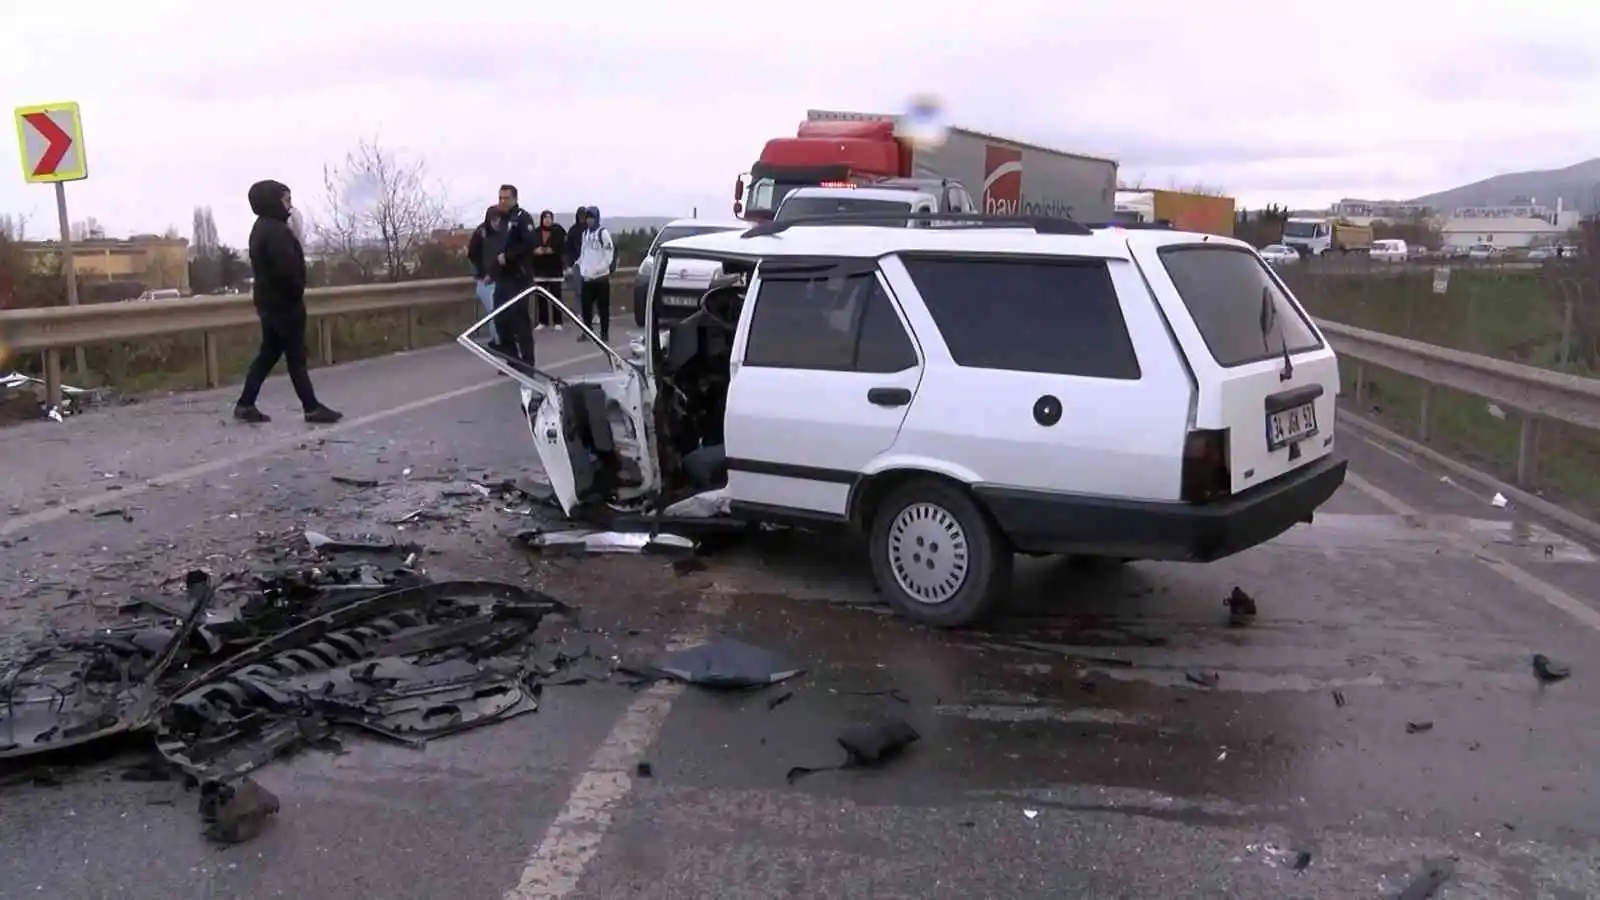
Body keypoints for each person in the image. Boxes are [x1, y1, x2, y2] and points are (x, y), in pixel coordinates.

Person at [234, 180, 341, 424]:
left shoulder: (261, 227)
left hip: (268, 301)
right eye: (286, 200)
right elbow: (286, 270)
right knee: (295, 356)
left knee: (269, 354)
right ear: (274, 201)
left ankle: (245, 403)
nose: (290, 205)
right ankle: (311, 407)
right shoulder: (277, 232)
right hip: (284, 303)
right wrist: (295, 292)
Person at [492, 184, 538, 362]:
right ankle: (511, 357)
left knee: (520, 320)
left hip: (520, 276)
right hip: (503, 277)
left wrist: (509, 256)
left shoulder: (522, 218)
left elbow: (530, 242)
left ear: (514, 199)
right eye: (500, 198)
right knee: (500, 319)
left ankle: (528, 361)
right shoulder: (500, 220)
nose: (503, 201)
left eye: (506, 198)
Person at [465, 205, 504, 349]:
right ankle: (498, 341)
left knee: (501, 312)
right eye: (494, 220)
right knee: (495, 312)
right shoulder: (481, 233)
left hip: (501, 278)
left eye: (499, 219)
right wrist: (482, 273)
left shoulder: (503, 233)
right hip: (486, 281)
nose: (497, 223)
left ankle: (499, 341)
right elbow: (472, 254)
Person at [576, 205, 616, 343]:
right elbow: (583, 252)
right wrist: (580, 265)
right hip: (587, 278)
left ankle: (604, 334)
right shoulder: (585, 234)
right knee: (586, 308)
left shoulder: (603, 233)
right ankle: (587, 332)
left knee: (603, 308)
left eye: (591, 218)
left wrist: (599, 269)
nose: (589, 221)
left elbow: (609, 255)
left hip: (600, 279)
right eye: (587, 218)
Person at [531, 210, 567, 331]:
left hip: (554, 270)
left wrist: (545, 250)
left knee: (556, 297)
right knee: (541, 297)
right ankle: (543, 321)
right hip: (540, 270)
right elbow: (531, 247)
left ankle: (558, 321)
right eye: (545, 217)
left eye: (549, 217)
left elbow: (558, 247)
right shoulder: (536, 232)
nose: (547, 220)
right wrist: (536, 251)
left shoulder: (557, 231)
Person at [563, 206, 587, 319]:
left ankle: (593, 314)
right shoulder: (573, 230)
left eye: (584, 216)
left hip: (590, 265)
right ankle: (580, 313)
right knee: (578, 290)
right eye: (580, 216)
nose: (582, 218)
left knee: (592, 291)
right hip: (577, 264)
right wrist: (569, 264)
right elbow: (567, 248)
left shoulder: (591, 230)